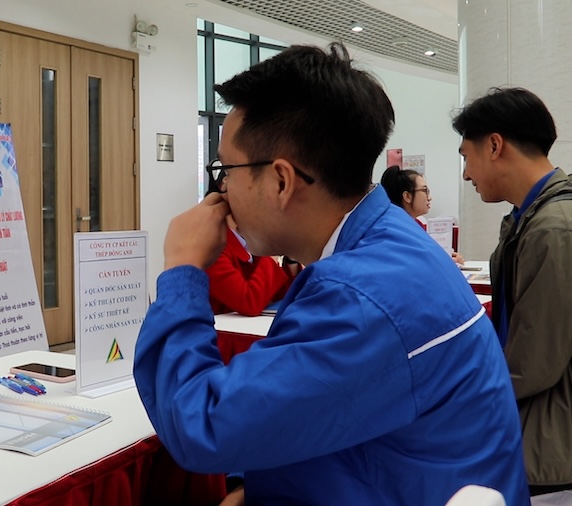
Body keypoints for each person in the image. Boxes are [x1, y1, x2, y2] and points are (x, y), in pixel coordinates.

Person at [133, 43, 528, 504]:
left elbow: (201, 424)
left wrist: (182, 268)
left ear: (281, 180)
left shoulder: (361, 297)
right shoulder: (387, 243)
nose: (223, 187)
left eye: (227, 169)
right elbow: (333, 406)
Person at [454, 87, 572, 499]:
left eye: (466, 157)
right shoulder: (531, 218)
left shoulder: (554, 227)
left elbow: (534, 361)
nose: (466, 174)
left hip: (551, 448)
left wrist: (457, 399)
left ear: (494, 145)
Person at [204, 176, 294, 316]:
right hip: (220, 334)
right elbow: (249, 303)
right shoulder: (213, 246)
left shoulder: (250, 240)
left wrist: (291, 260)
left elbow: (283, 297)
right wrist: (271, 253)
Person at [380, 165, 465, 264]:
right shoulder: (394, 230)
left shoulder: (417, 224)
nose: (429, 197)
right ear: (407, 196)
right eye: (425, 191)